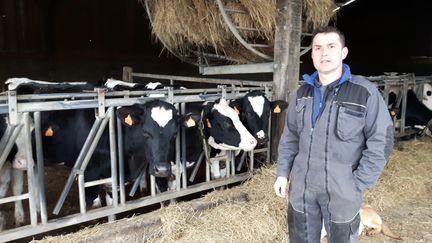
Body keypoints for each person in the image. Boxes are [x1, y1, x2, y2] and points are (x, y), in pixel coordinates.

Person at [273, 26, 394, 243]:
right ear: (312, 55)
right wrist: (283, 173)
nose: (324, 53)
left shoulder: (364, 92)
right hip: (301, 190)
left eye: (331, 46)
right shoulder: (302, 94)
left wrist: (357, 183)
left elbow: (381, 140)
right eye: (317, 48)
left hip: (342, 192)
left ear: (343, 52)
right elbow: (290, 136)